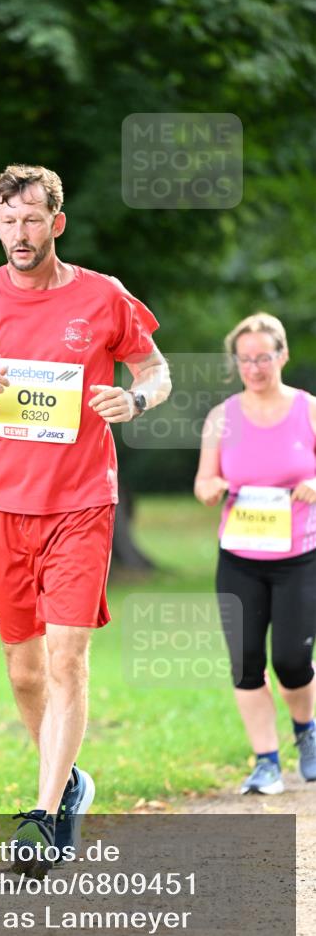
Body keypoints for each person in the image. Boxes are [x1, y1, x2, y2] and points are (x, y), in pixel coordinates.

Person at [0, 165, 171, 876]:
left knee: (66, 657)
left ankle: (44, 813)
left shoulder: (101, 296)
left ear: (55, 223)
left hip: (82, 502)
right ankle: (69, 783)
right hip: (2, 505)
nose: (18, 233)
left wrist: (137, 401)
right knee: (23, 668)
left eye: (31, 219)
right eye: (6, 220)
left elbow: (155, 370)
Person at [195, 312, 316, 794]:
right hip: (240, 560)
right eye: (245, 360)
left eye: (263, 357)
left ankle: (306, 733)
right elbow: (203, 482)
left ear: (282, 355)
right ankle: (266, 761)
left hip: (299, 560)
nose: (255, 368)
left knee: (290, 661)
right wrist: (212, 488)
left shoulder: (308, 410)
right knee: (246, 663)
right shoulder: (222, 417)